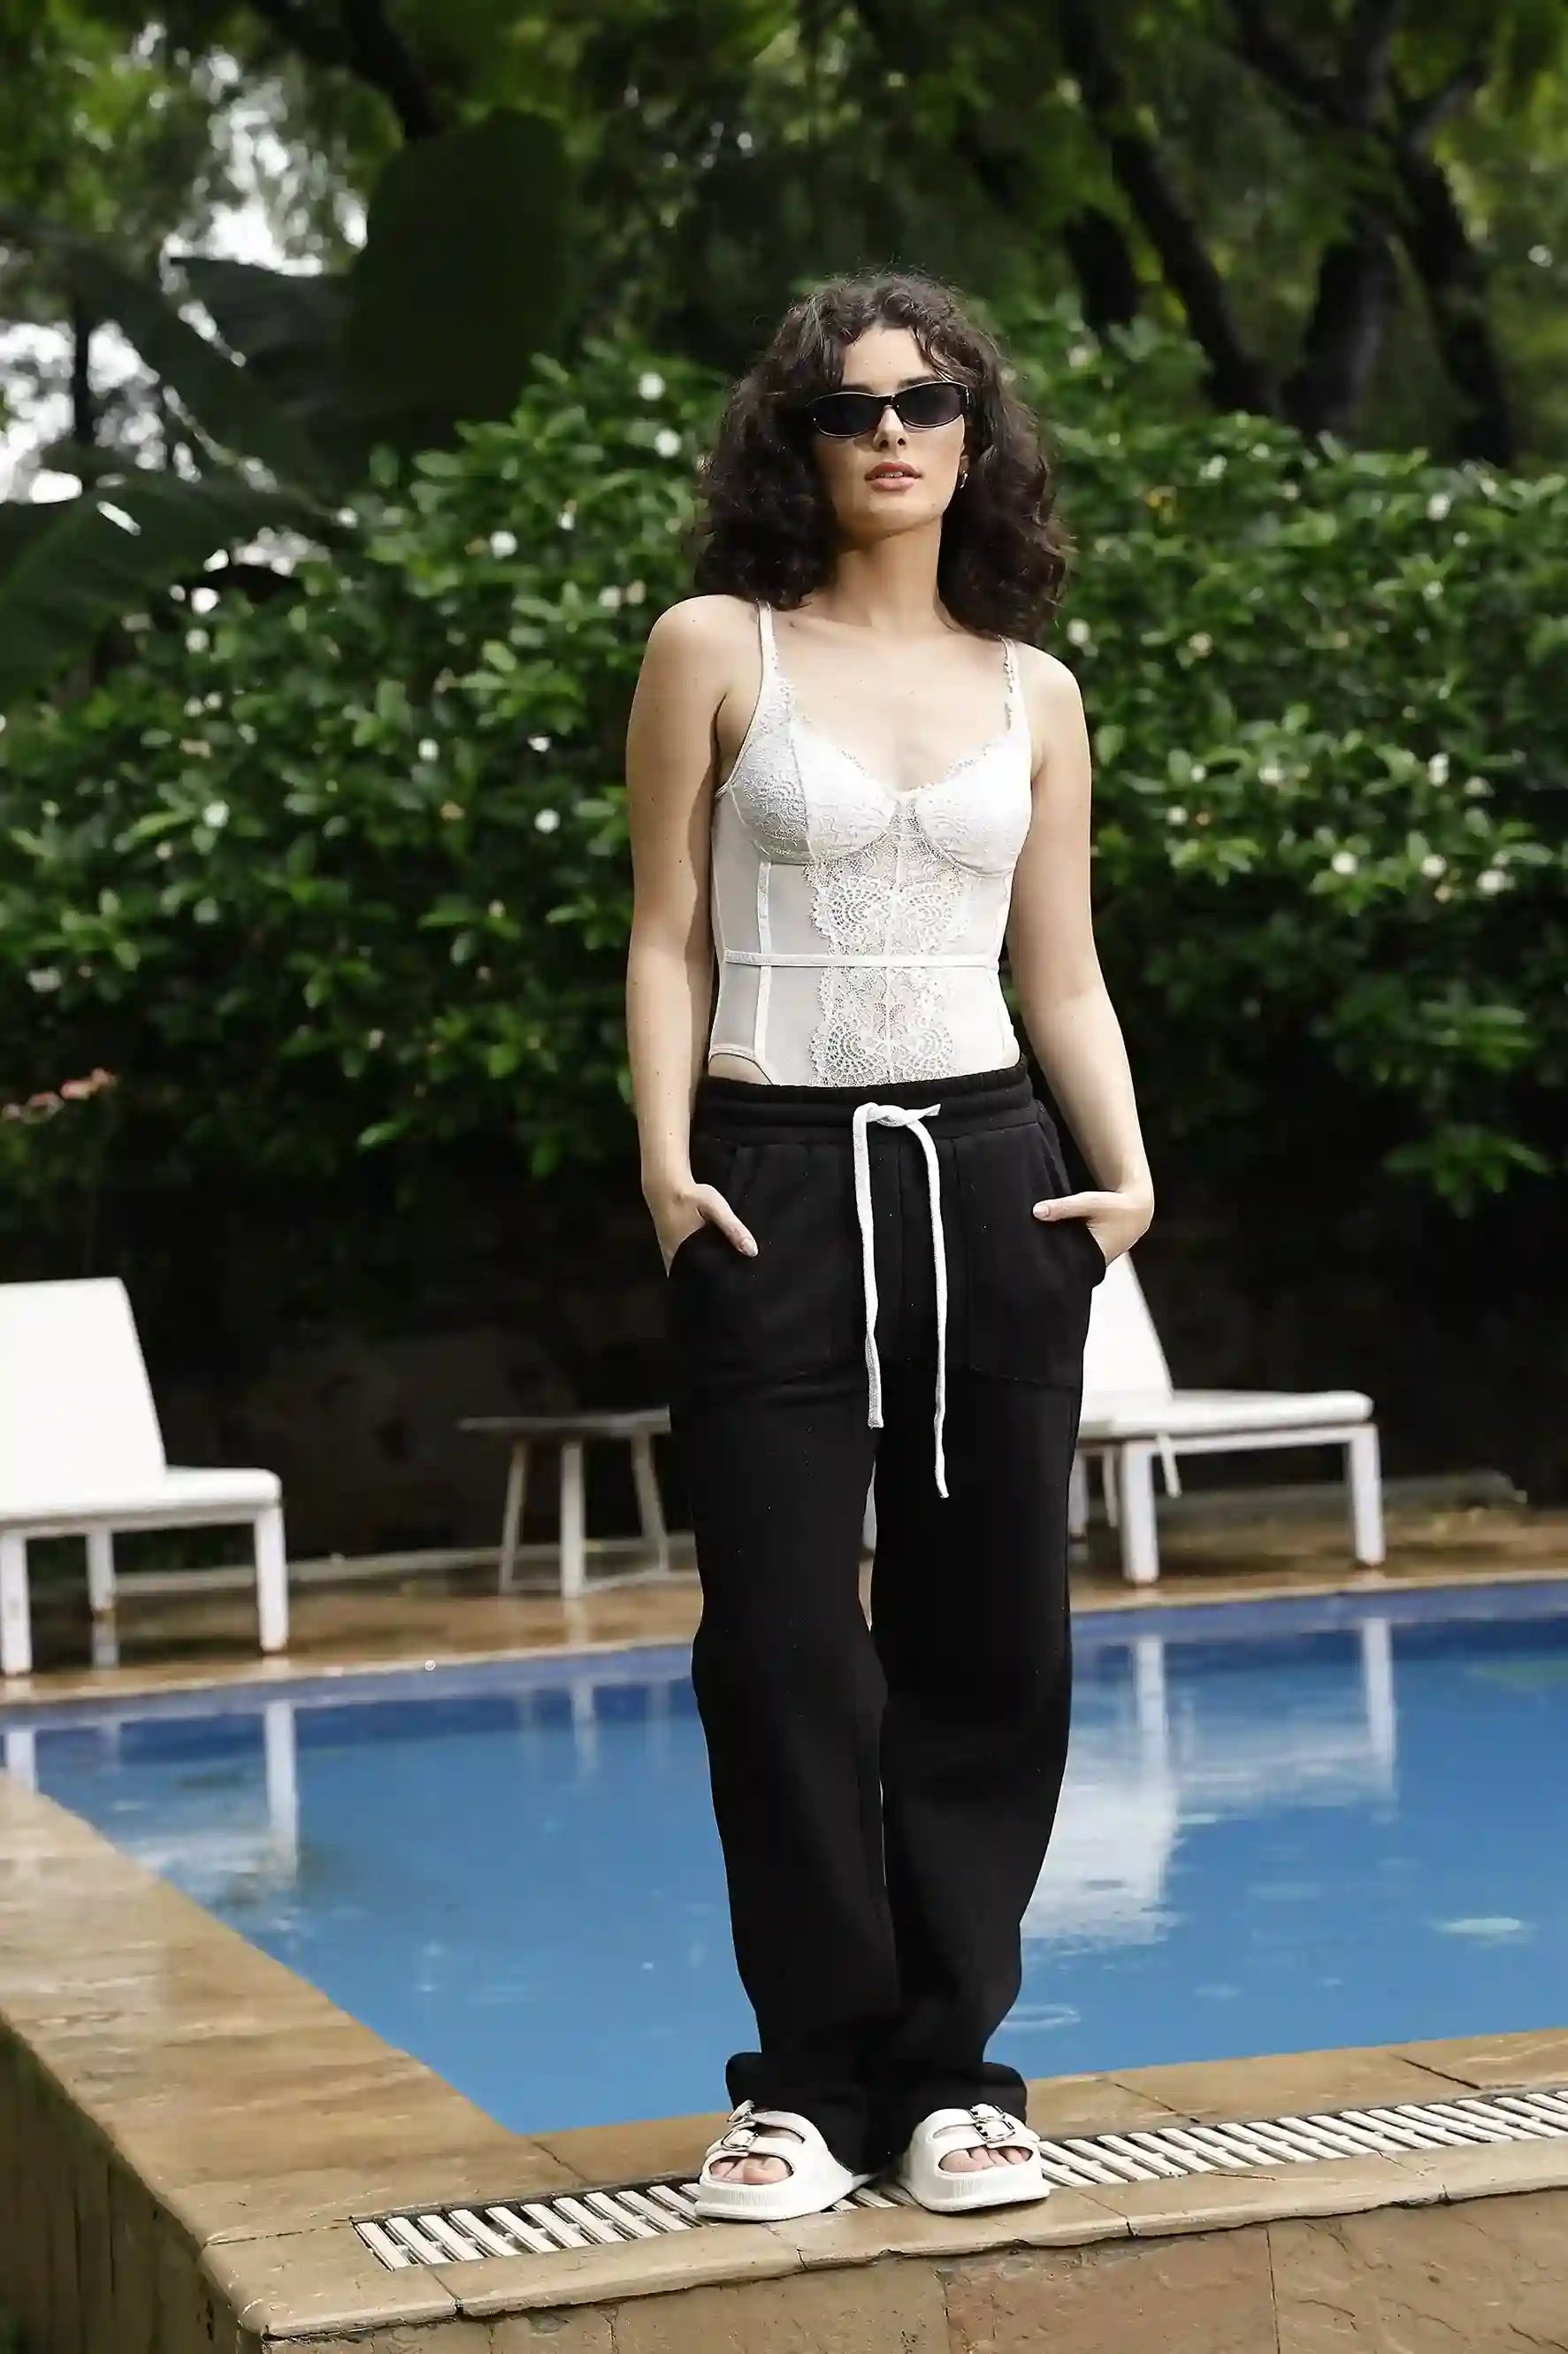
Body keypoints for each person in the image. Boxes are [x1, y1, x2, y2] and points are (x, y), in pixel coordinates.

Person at [623, 269, 1153, 2223]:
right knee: (776, 1643)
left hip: (996, 1169)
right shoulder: (712, 645)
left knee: (988, 1632)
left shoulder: (1035, 688)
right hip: (768, 1172)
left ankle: (951, 2079)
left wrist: (1128, 1170)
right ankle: (803, 2087)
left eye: (930, 402)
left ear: (973, 437)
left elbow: (1063, 967)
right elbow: (665, 932)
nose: (894, 434)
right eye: (854, 406)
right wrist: (669, 1167)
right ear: (801, 436)